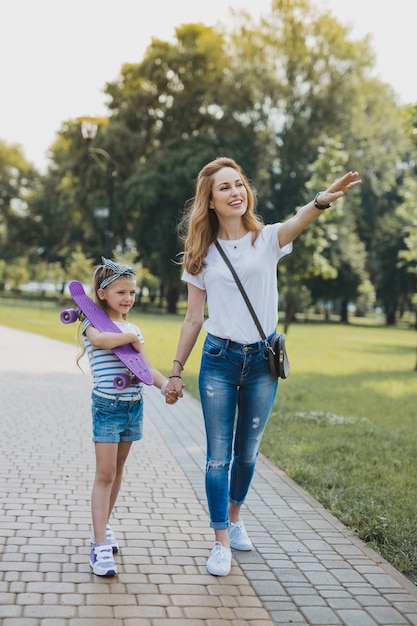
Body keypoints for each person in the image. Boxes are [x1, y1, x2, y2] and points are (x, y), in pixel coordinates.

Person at [166, 156, 361, 576]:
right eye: (225, 188)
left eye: (239, 184)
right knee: (218, 457)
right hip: (218, 360)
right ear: (211, 201)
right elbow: (193, 318)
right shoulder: (200, 254)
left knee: (248, 453)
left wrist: (321, 201)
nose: (236, 192)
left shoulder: (267, 238)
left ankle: (235, 518)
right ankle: (220, 540)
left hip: (261, 362)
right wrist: (177, 368)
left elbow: (298, 220)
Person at [78, 257, 180, 577]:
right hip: (107, 405)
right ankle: (99, 546)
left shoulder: (133, 328)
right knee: (104, 473)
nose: (128, 298)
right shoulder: (92, 322)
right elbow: (99, 341)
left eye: (132, 292)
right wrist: (130, 339)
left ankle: (104, 527)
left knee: (118, 471)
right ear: (103, 294)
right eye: (121, 291)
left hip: (133, 405)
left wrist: (166, 387)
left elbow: (146, 369)